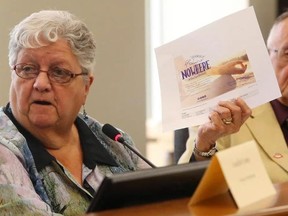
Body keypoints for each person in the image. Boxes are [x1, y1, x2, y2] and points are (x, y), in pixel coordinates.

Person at [0, 10, 148, 215]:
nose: (41, 84)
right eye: (27, 69)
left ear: (86, 87)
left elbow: (162, 203)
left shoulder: (114, 143)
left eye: (59, 72)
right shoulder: (4, 151)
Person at [178, 10, 288, 184]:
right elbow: (182, 187)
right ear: (266, 57)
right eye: (287, 53)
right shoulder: (225, 110)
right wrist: (204, 145)